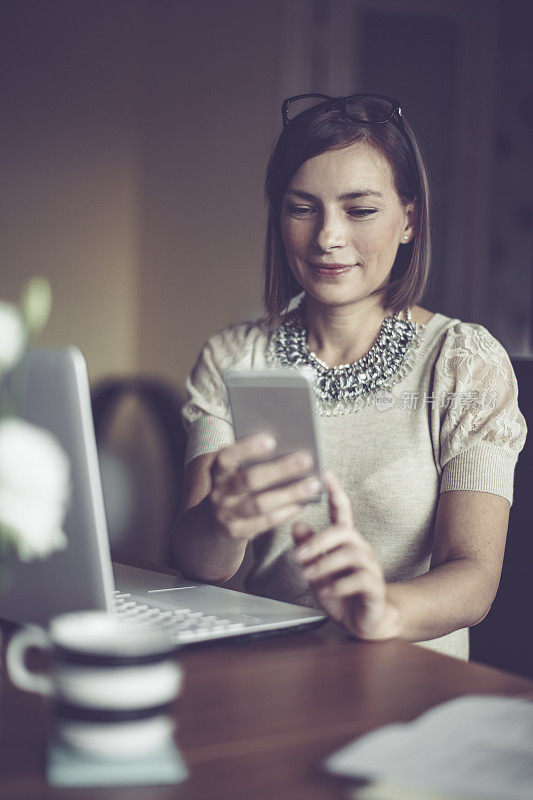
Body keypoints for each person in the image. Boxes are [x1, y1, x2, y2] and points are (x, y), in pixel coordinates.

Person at [175, 93, 527, 659]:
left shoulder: (464, 363)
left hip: (410, 679)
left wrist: (383, 609)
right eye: (301, 208)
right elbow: (201, 567)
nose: (327, 237)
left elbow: (475, 578)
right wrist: (220, 522)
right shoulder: (232, 358)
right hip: (265, 672)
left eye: (359, 210)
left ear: (409, 219)